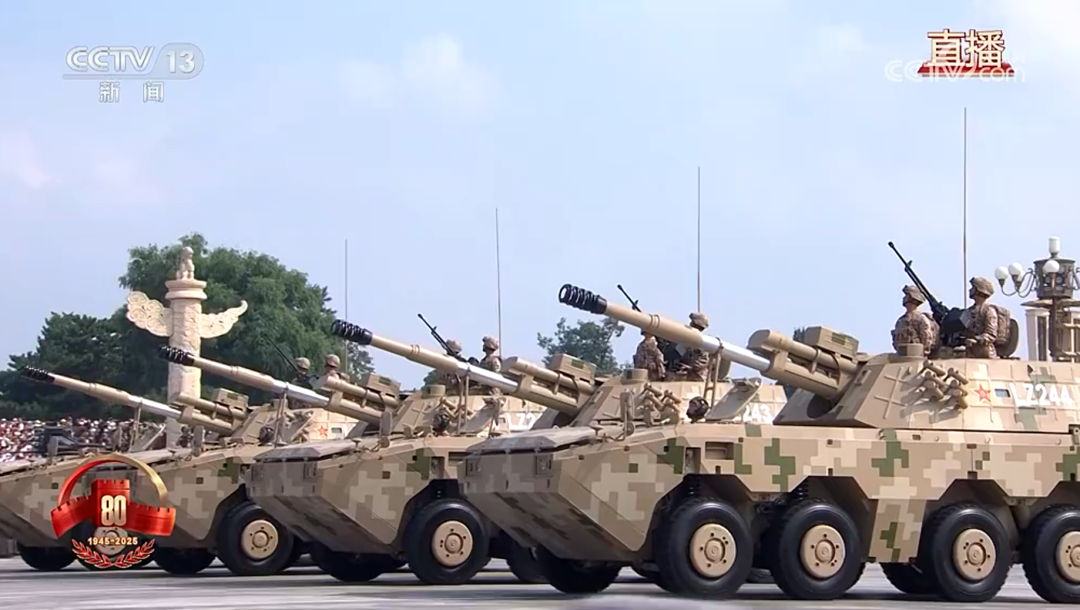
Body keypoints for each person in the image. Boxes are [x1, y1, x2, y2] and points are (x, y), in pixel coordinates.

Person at [891, 285, 939, 356]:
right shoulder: (901, 320)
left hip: (917, 355)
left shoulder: (921, 319)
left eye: (906, 295)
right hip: (902, 356)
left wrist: (923, 352)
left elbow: (926, 337)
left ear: (912, 297)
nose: (903, 298)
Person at [964, 276, 999, 359]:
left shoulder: (988, 310)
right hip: (970, 353)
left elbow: (991, 334)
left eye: (973, 288)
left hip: (985, 354)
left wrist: (976, 340)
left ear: (978, 291)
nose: (970, 290)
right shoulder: (969, 310)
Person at [675, 313, 711, 381]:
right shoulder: (689, 342)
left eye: (692, 323)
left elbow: (700, 364)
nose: (690, 324)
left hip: (697, 377)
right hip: (687, 374)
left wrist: (688, 368)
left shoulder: (703, 344)